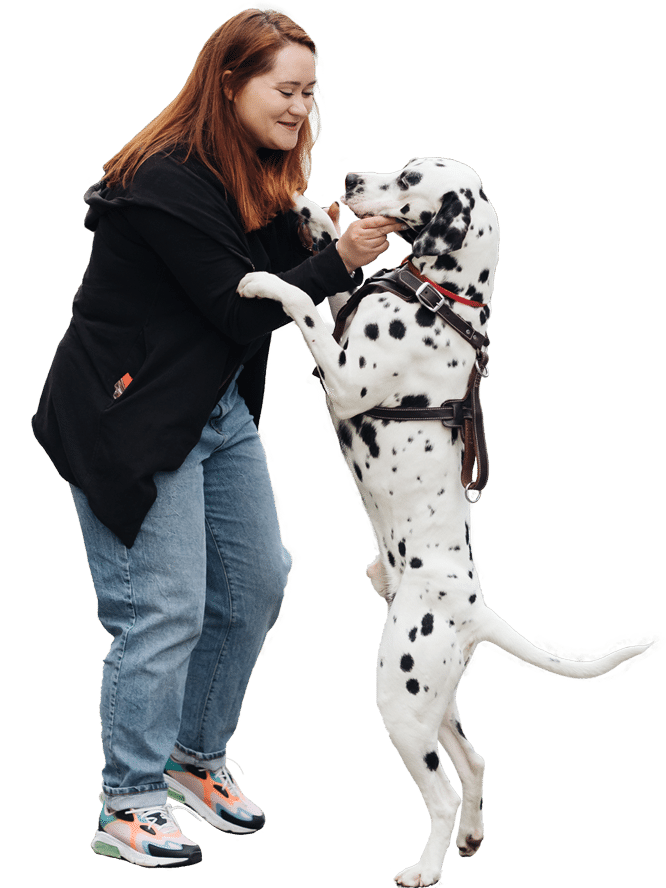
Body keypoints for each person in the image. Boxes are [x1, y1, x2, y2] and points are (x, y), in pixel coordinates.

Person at [31, 6, 403, 869]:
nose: (300, 108)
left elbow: (276, 269)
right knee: (160, 611)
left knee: (257, 585)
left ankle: (194, 761)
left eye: (310, 93)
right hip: (129, 416)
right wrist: (342, 257)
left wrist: (326, 236)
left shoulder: (256, 169)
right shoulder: (164, 179)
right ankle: (128, 802)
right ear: (230, 82)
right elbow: (239, 303)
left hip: (212, 409)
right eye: (284, 89)